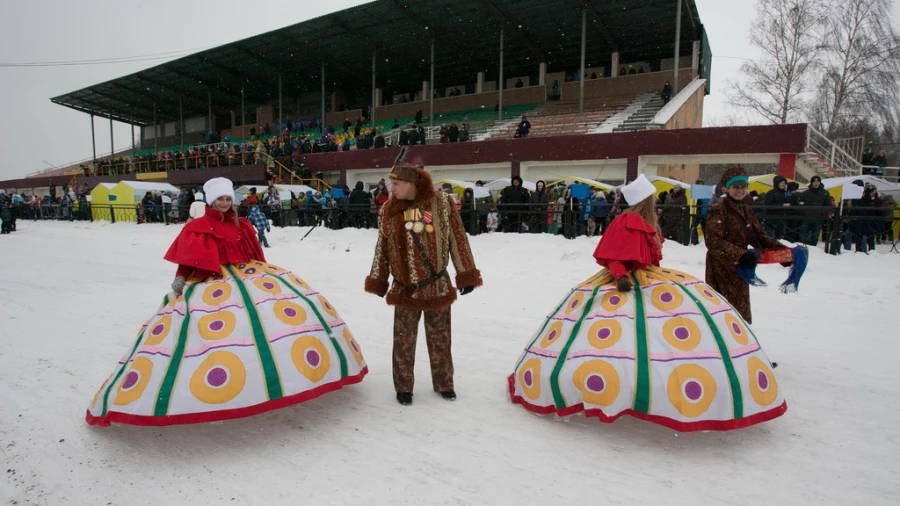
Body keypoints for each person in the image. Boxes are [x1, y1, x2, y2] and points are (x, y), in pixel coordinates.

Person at [508, 174, 786, 432]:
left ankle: (642, 384)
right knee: (617, 333)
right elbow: (615, 255)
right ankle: (612, 384)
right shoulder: (627, 222)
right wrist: (620, 277)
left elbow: (649, 255)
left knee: (650, 335)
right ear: (647, 201)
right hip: (625, 280)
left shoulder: (647, 222)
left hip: (647, 279)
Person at [85, 177, 367, 427]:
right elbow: (190, 260)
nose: (223, 203)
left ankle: (275, 380)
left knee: (270, 327)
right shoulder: (198, 228)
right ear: (210, 200)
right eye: (219, 199)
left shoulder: (241, 224)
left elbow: (256, 256)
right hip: (212, 283)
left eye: (227, 198)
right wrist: (181, 279)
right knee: (211, 334)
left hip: (249, 276)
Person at [364, 164, 482, 406]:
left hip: (436, 284)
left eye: (396, 184)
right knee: (403, 340)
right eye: (391, 183)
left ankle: (444, 383)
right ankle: (404, 387)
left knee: (440, 338)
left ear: (412, 185)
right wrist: (379, 279)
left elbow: (457, 239)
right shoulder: (388, 209)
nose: (391, 188)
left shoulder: (442, 204)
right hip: (403, 288)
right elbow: (382, 248)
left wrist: (466, 272)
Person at [705, 167, 793, 324]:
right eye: (736, 187)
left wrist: (783, 251)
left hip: (741, 265)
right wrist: (739, 254)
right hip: (721, 265)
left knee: (740, 308)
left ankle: (740, 341)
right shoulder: (718, 210)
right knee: (724, 308)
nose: (740, 191)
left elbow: (759, 236)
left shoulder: (746, 209)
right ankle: (725, 342)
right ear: (727, 188)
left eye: (743, 187)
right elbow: (713, 241)